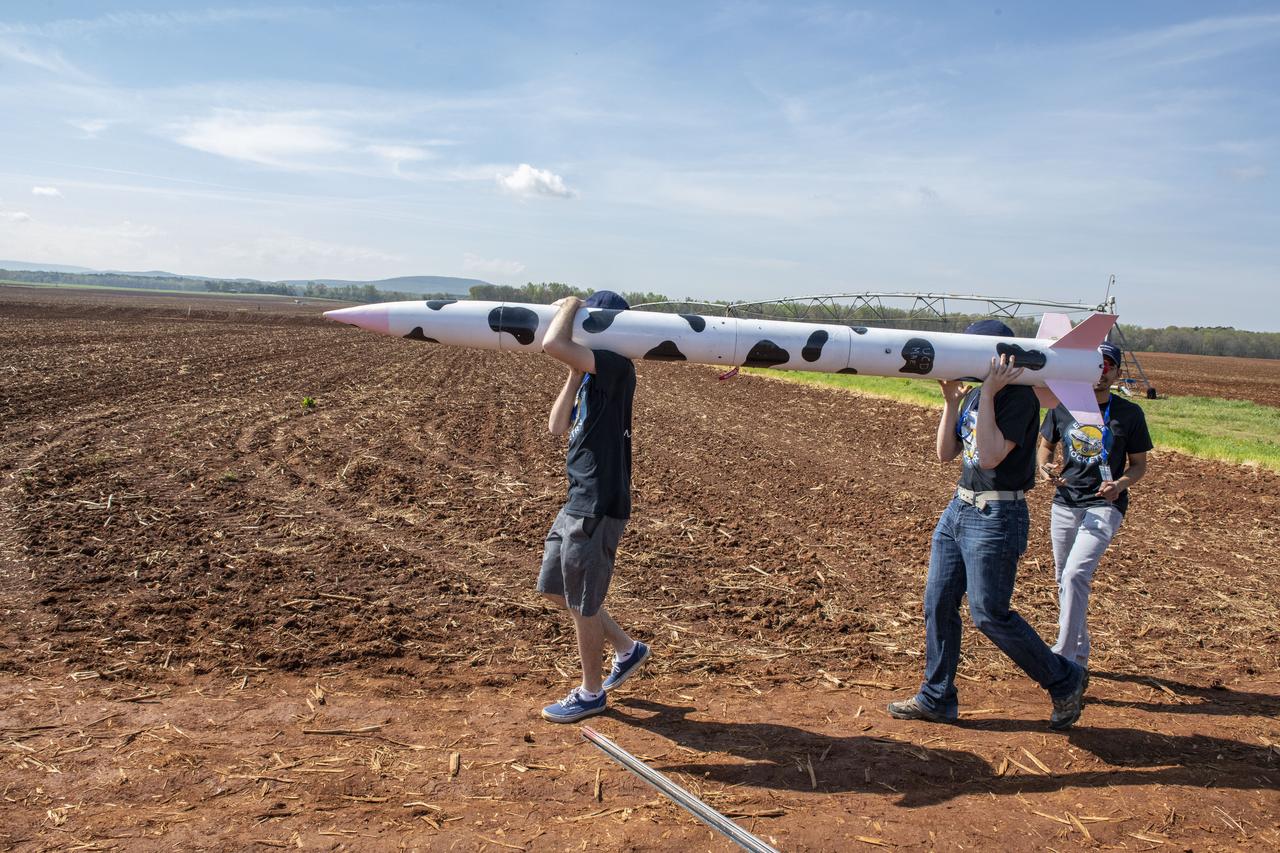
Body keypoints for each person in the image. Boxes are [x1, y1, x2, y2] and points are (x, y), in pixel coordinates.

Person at [887, 319, 1087, 731]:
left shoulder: (1018, 398)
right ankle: (936, 696)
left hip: (997, 515)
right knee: (938, 603)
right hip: (958, 508)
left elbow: (993, 456)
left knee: (989, 614)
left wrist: (992, 393)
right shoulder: (980, 393)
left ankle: (1064, 678)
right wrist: (951, 403)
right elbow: (946, 453)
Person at [536, 291, 651, 723]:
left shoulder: (618, 367)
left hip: (598, 501)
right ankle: (626, 648)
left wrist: (571, 304)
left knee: (583, 600)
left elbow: (552, 343)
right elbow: (556, 425)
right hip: (577, 499)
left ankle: (591, 692)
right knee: (556, 589)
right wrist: (573, 372)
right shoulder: (591, 377)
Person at [1036, 341, 1152, 668]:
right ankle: (1080, 657)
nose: (1101, 373)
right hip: (1065, 502)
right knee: (1065, 580)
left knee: (1075, 575)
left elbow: (1139, 465)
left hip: (1104, 505)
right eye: (1095, 365)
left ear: (1116, 372)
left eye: (1108, 366)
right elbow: (1044, 448)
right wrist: (1044, 469)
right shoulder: (1062, 407)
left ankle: (1062, 658)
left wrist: (1120, 485)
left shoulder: (1129, 413)